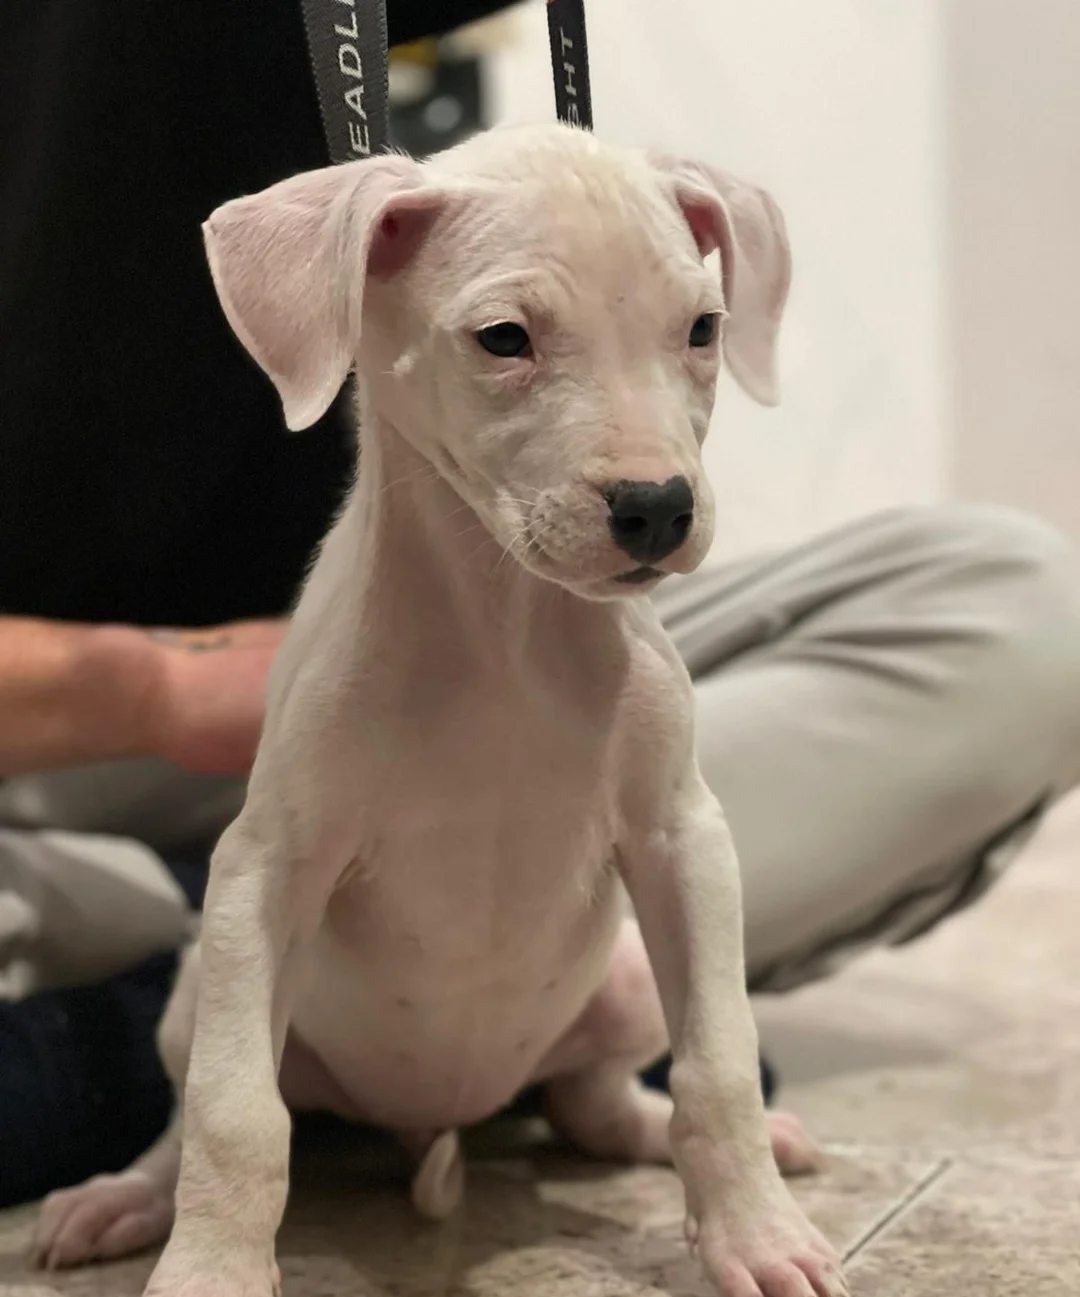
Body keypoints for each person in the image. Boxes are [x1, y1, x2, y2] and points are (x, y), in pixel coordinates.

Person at [3, 1, 1080, 1211]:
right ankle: (236, 1012)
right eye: (509, 339)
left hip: (526, 606)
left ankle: (400, 1001)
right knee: (230, 888)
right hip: (74, 761)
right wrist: (154, 686)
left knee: (1016, 604)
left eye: (700, 334)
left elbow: (679, 825)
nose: (654, 476)